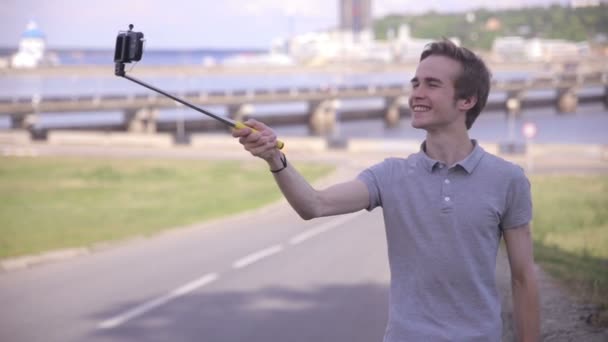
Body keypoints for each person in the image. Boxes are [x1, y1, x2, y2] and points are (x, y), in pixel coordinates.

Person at [232, 39, 540, 342]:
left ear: (467, 100)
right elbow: (315, 204)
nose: (416, 94)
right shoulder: (390, 175)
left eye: (431, 85)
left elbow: (523, 278)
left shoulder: (507, 179)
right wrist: (275, 158)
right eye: (414, 84)